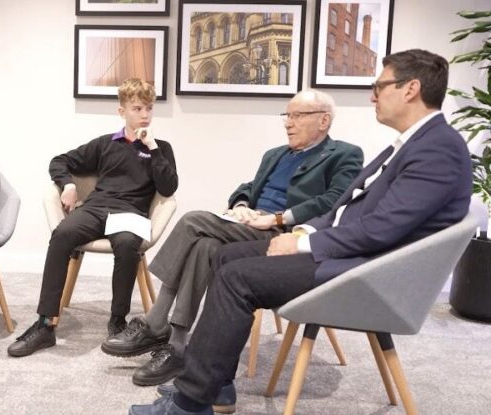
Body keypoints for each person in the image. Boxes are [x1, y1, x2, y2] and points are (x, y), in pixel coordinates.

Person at [129, 48, 473, 415]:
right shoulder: (414, 144)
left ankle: (190, 403)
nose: (373, 95)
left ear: (411, 89)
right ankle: (216, 385)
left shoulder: (438, 149)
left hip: (364, 272)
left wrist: (303, 241)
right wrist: (303, 232)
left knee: (236, 278)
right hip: (354, 256)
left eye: (379, 85)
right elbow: (346, 208)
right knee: (223, 255)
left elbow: (381, 229)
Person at [102, 90, 363, 387]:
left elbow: (334, 201)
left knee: (192, 221)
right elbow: (248, 186)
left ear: (324, 120)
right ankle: (177, 344)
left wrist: (277, 218)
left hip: (287, 233)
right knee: (205, 245)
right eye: (286, 116)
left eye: (297, 116)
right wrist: (240, 207)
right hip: (250, 223)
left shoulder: (345, 154)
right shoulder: (276, 154)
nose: (288, 123)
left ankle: (155, 321)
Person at [7, 78, 179, 357]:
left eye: (148, 108)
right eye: (137, 108)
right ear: (122, 111)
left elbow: (168, 188)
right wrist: (69, 185)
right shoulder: (105, 145)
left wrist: (154, 149)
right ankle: (45, 324)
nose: (145, 114)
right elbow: (59, 161)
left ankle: (117, 321)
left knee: (127, 246)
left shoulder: (162, 148)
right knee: (62, 235)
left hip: (131, 213)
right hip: (96, 208)